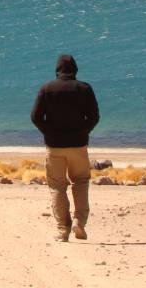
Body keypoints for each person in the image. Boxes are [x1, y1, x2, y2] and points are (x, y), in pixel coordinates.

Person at [30, 54, 100, 242]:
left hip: (55, 147)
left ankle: (63, 229)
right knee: (81, 182)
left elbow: (36, 117)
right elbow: (94, 117)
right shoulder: (84, 89)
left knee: (57, 186)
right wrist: (83, 132)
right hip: (78, 145)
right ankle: (79, 222)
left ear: (57, 70)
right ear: (75, 70)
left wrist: (49, 132)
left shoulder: (47, 89)